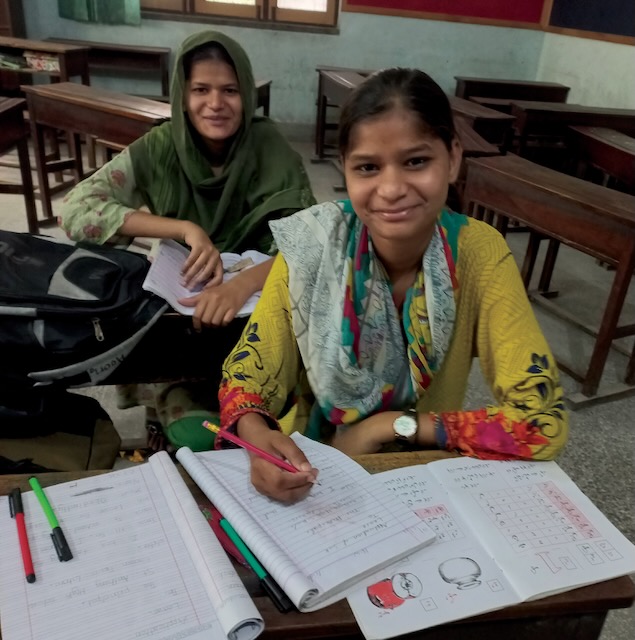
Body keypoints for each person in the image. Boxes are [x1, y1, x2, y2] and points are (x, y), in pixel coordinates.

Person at [217, 68, 568, 502]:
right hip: (308, 468)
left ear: (453, 159)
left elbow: (542, 419)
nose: (391, 188)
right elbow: (248, 376)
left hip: (421, 473)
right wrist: (255, 436)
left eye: (416, 161)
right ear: (345, 170)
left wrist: (387, 427)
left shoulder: (477, 255)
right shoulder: (311, 248)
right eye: (367, 167)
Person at [58, 31, 315, 450]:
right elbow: (76, 211)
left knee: (261, 430)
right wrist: (182, 229)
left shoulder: (271, 150)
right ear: (182, 94)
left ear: (247, 94)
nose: (215, 104)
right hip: (181, 326)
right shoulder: (160, 148)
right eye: (201, 90)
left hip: (256, 326)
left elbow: (313, 243)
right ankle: (169, 414)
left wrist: (242, 284)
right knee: (193, 433)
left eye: (230, 90)